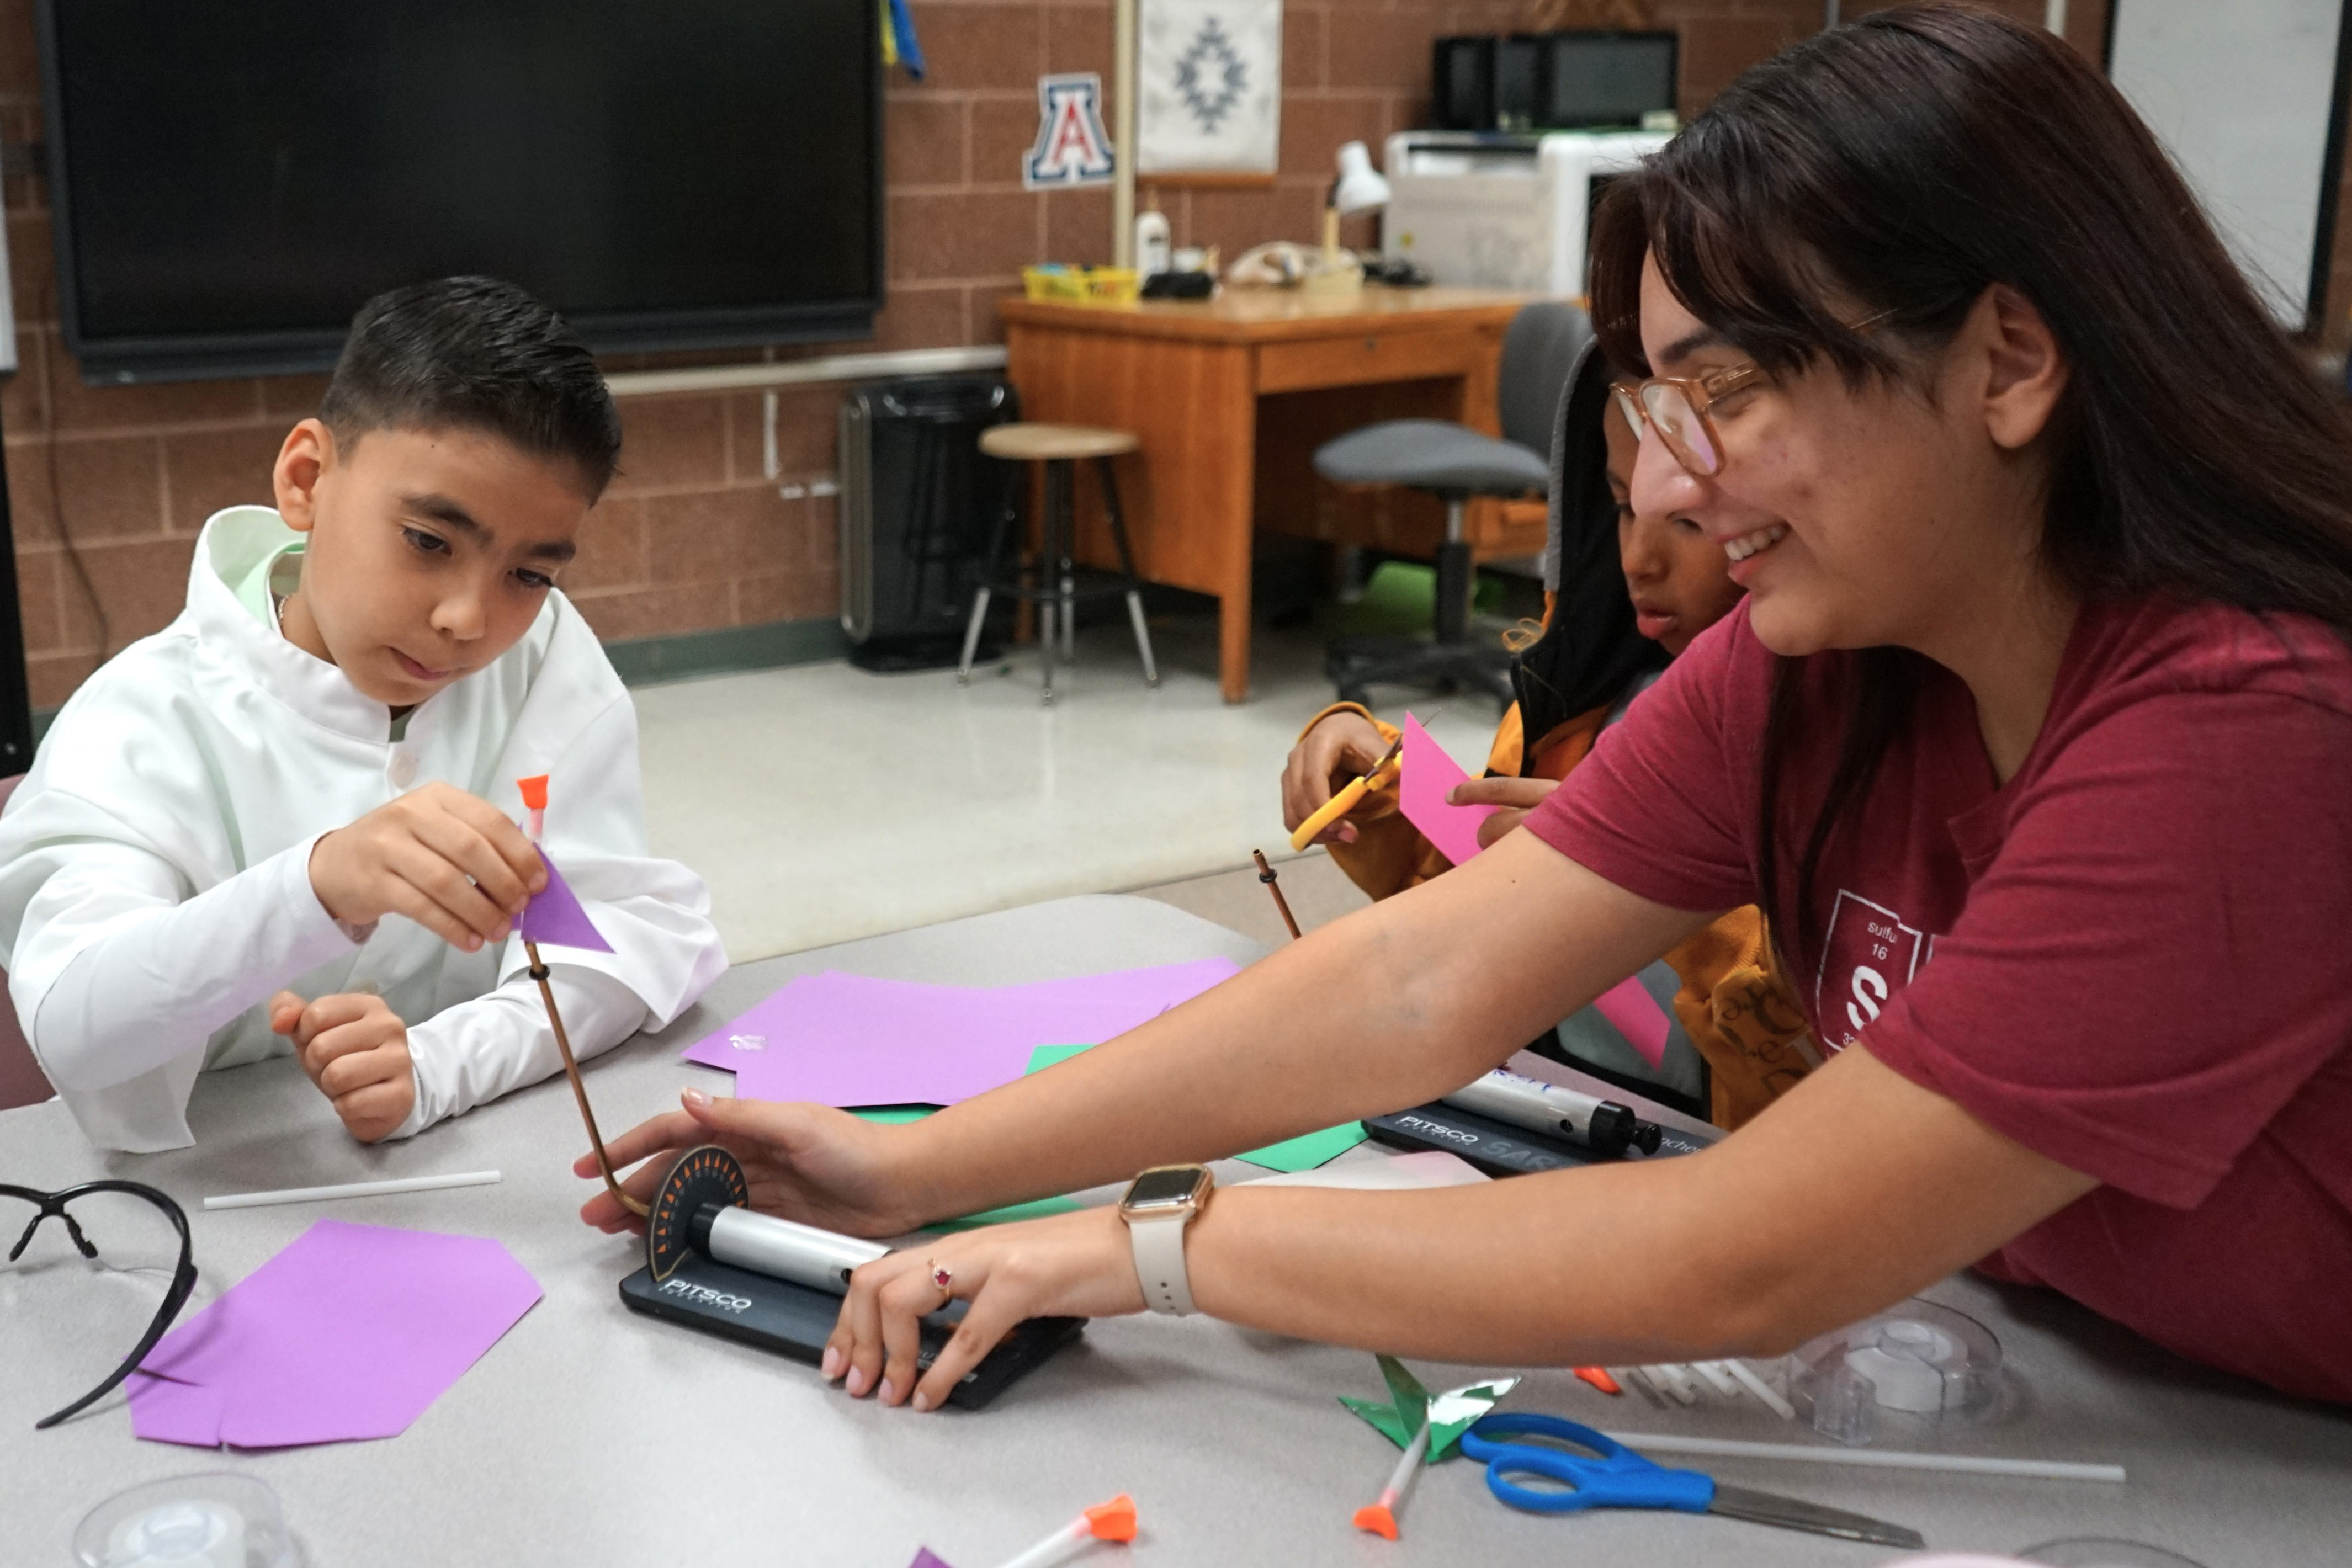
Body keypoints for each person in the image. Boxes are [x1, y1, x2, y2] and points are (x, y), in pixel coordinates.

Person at [582, 9, 2352, 1412]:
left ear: (2007, 360)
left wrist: (1148, 1250)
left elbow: (1749, 1252)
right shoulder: (1829, 653)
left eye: (1726, 391)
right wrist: (922, 1167)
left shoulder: (2248, 729)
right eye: (1660, 402)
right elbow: (1422, 978)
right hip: (2091, 1376)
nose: (1672, 479)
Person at [0, 277, 726, 1152]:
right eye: (428, 541)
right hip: (217, 1198)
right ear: (306, 480)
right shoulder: (135, 724)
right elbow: (73, 1024)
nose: (468, 618)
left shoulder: (539, 655)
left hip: (471, 1165)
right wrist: (315, 884)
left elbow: (623, 934)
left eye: (529, 575)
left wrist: (436, 1064)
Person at [1279, 341, 1809, 1125]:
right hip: (1553, 1122)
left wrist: (1662, 881)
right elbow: (1474, 914)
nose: (1637, 557)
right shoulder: (1576, 708)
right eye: (1621, 506)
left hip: (1722, 1172)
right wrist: (1384, 793)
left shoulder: (1832, 747)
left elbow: (1827, 1078)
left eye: (1689, 519)